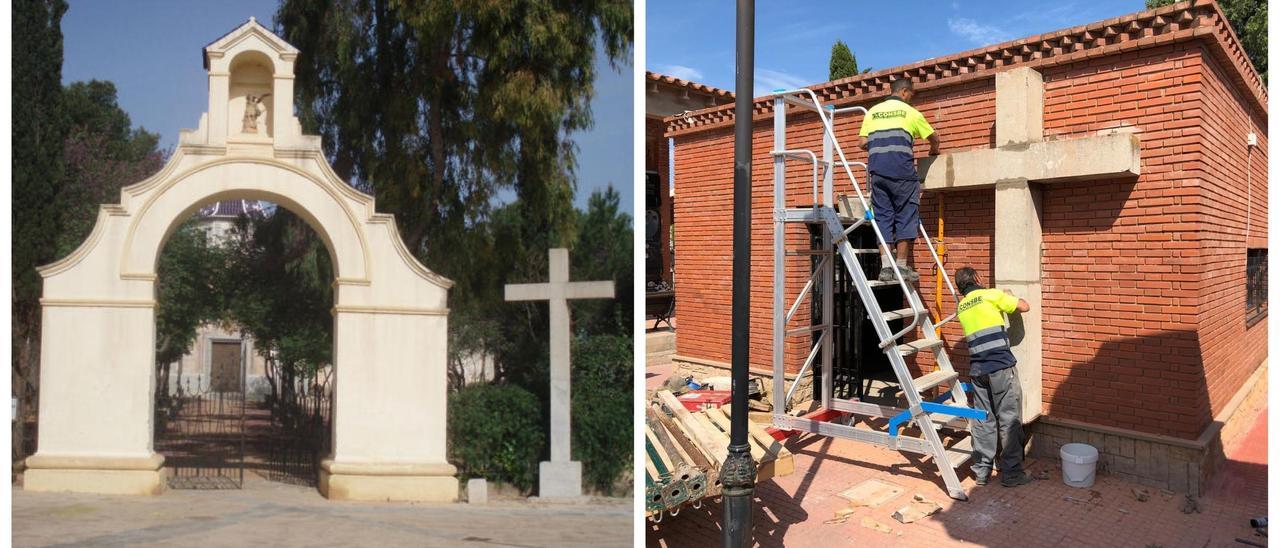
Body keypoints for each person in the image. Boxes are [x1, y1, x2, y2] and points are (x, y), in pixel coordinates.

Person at [953, 266, 1031, 487]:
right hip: (1000, 368)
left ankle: (982, 472)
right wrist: (1010, 297)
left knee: (984, 420)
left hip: (978, 371)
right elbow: (1025, 307)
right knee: (1009, 419)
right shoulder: (991, 295)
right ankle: (1012, 474)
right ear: (977, 278)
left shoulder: (962, 307)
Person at [858, 78, 940, 282]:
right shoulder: (911, 113)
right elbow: (933, 137)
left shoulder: (873, 112)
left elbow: (862, 142)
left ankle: (886, 268)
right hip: (902, 172)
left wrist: (882, 141)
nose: (911, 99)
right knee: (906, 214)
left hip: (877, 173)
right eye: (911, 95)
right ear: (904, 92)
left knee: (883, 217)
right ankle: (901, 267)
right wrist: (933, 150)